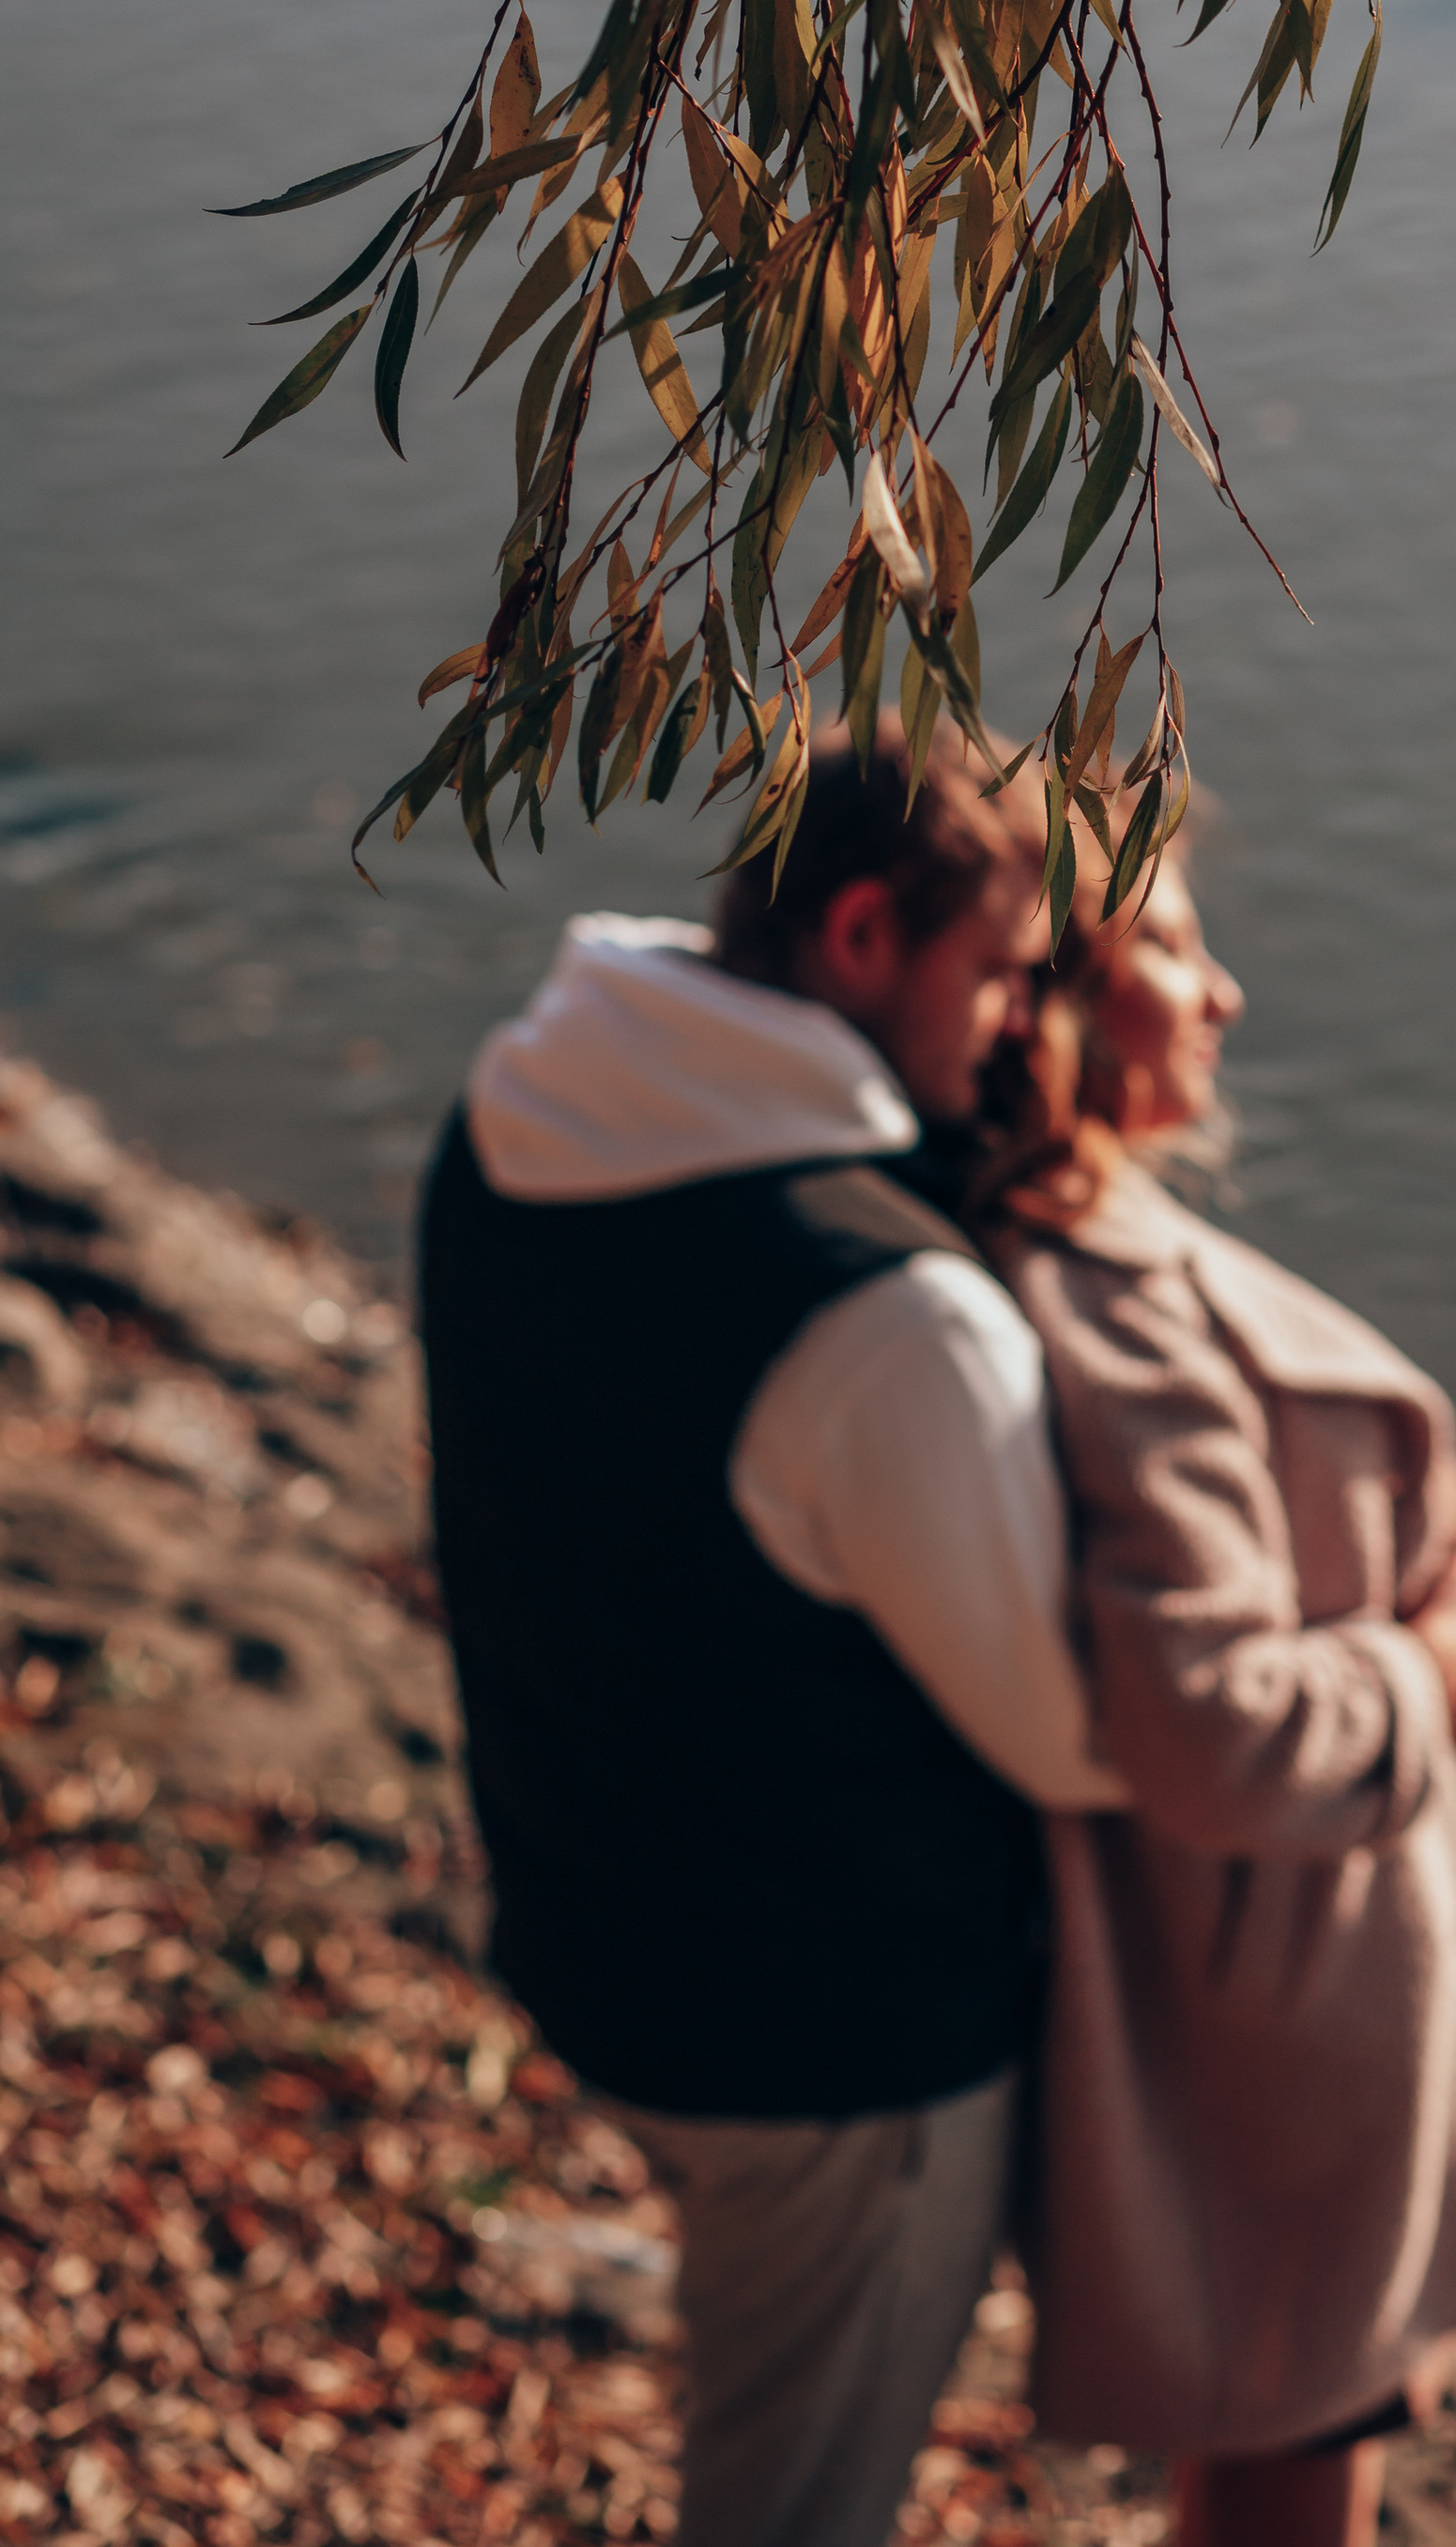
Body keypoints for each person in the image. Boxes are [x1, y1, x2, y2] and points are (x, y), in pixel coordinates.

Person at [416, 721, 1123, 2547]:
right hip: (831, 2044)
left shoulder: (515, 1115)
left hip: (597, 1934)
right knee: (792, 2505)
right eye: (999, 976)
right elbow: (1071, 1736)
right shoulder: (884, 1317)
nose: (1015, 1031)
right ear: (867, 936)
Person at [981, 843, 1456, 2547]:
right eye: (1169, 945)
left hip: (1299, 1963)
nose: (1223, 992)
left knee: (1320, 2418)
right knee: (1301, 2449)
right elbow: (1221, 1726)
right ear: (1045, 1010)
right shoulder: (1112, 1312)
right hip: (1274, 1988)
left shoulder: (1096, 1253)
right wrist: (1448, 1654)